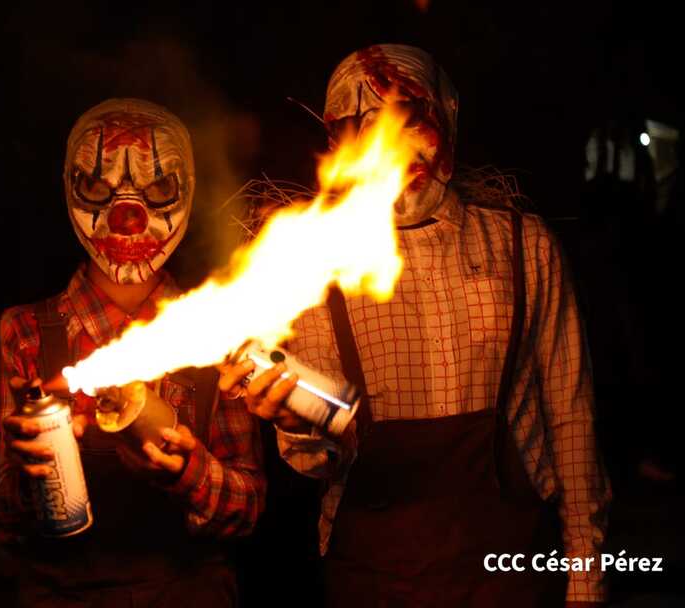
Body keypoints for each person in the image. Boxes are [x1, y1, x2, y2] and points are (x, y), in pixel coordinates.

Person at [219, 45, 610, 607]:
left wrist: (586, 579)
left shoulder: (525, 247)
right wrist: (298, 422)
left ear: (446, 116)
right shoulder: (312, 269)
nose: (390, 147)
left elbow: (572, 422)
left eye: (408, 117)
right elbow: (319, 460)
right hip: (375, 581)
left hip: (514, 574)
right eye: (361, 129)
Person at [0, 98, 265, 608]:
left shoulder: (220, 331)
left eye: (158, 188)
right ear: (69, 188)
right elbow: (6, 517)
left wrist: (191, 474)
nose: (128, 217)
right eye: (97, 187)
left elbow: (248, 510)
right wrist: (30, 477)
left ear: (188, 190)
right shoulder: (25, 332)